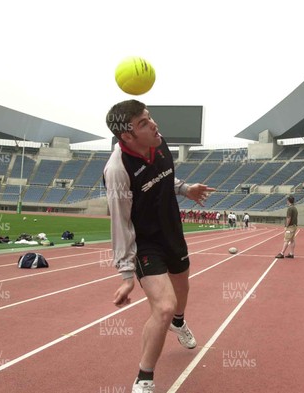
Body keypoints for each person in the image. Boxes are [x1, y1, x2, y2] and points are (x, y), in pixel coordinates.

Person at [103, 99, 215, 393]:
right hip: (145, 243)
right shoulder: (117, 170)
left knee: (182, 287)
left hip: (172, 232)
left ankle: (180, 322)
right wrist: (127, 274)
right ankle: (144, 378)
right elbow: (120, 223)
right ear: (127, 136)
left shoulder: (160, 142)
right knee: (163, 307)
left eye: (149, 118)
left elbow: (165, 175)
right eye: (143, 123)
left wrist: (184, 189)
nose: (153, 125)